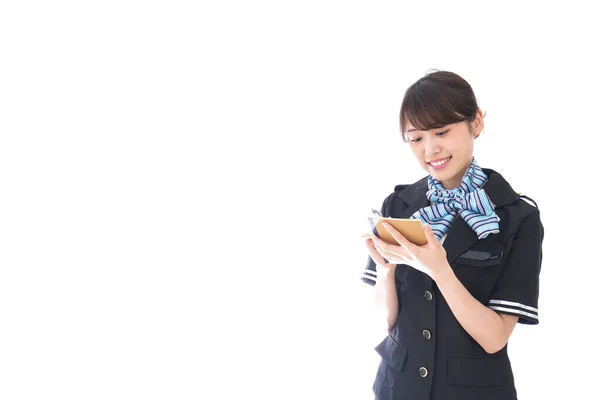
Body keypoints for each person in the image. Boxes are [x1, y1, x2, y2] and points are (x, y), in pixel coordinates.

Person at [361, 70, 544, 400]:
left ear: (476, 123)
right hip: (396, 388)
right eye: (416, 138)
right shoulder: (399, 204)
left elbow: (494, 337)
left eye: (441, 132)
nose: (430, 149)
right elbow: (385, 322)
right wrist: (385, 273)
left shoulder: (518, 217)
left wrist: (440, 270)